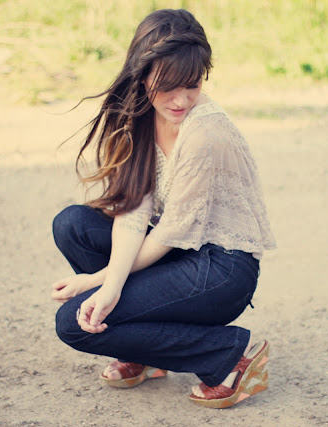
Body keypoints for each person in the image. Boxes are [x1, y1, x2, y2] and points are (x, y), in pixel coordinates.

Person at [50, 8, 276, 409]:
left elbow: (171, 233)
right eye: (168, 85)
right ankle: (143, 351)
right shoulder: (142, 117)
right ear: (143, 75)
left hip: (222, 271)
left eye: (192, 84)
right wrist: (109, 285)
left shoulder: (204, 133)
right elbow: (133, 211)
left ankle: (226, 356)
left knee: (73, 324)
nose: (181, 99)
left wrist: (99, 283)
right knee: (73, 225)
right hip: (179, 253)